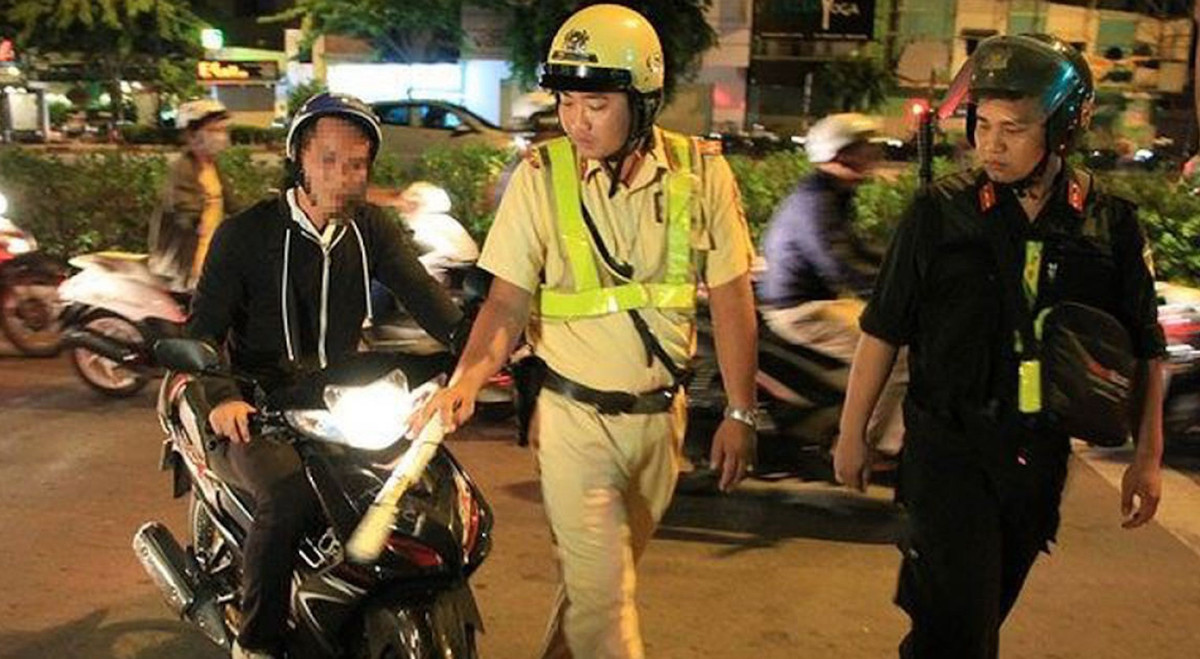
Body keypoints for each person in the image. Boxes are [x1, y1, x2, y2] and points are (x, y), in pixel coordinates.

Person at [414, 5, 758, 658]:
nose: (577, 121)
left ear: (643, 102)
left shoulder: (702, 174)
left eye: (595, 105)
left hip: (661, 424)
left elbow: (733, 297)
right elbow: (506, 304)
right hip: (574, 421)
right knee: (605, 604)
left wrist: (741, 410)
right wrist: (466, 381)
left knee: (593, 597)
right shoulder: (542, 178)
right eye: (567, 103)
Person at [834, 34, 1166, 658]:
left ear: (1061, 131)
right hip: (947, 453)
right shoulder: (939, 213)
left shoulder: (1109, 223)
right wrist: (852, 432)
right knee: (959, 633)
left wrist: (1147, 457)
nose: (991, 144)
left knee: (968, 627)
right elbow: (883, 330)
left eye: (1013, 129)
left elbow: (1149, 347)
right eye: (982, 125)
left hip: (1037, 463)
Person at [186, 92, 464, 659]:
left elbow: (429, 301)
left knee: (418, 481)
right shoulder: (244, 235)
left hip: (336, 404)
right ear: (300, 160)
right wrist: (222, 396)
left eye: (357, 164)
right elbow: (203, 333)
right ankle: (258, 642)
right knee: (288, 497)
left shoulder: (371, 230)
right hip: (256, 407)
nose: (344, 176)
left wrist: (484, 350)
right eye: (329, 160)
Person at [759, 113, 905, 455]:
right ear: (839, 154)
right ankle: (868, 446)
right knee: (893, 355)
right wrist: (887, 297)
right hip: (801, 310)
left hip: (819, 301)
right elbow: (838, 263)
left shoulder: (830, 194)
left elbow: (856, 251)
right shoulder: (815, 202)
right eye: (862, 149)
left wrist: (902, 269)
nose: (871, 155)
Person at [147, 99, 235, 291]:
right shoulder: (182, 169)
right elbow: (185, 212)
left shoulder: (212, 167)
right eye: (213, 130)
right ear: (191, 135)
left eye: (223, 130)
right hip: (186, 268)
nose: (220, 136)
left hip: (209, 266)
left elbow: (233, 207)